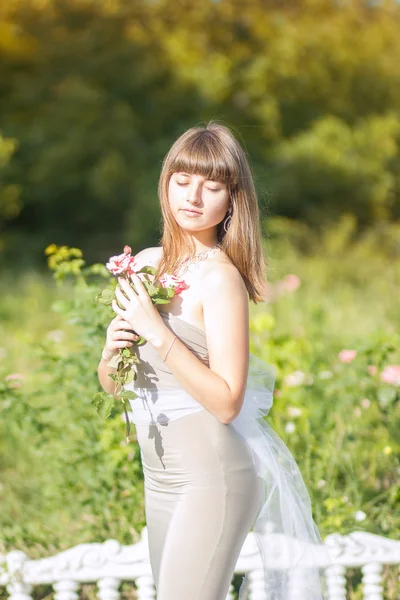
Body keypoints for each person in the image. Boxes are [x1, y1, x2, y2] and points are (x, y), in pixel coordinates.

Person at [97, 121, 332, 600]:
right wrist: (112, 348)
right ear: (166, 182)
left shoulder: (220, 279)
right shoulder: (143, 263)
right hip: (159, 476)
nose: (193, 196)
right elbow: (116, 387)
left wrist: (157, 331)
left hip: (213, 478)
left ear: (232, 199)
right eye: (182, 180)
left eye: (212, 186)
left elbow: (227, 403)